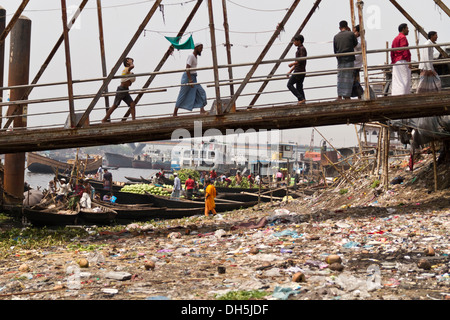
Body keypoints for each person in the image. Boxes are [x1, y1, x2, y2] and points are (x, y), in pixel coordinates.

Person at [174, 43, 208, 116]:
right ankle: (175, 113)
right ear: (196, 47)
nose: (201, 50)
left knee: (201, 92)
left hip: (193, 77)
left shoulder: (195, 57)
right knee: (182, 94)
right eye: (200, 48)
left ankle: (202, 110)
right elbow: (187, 68)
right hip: (188, 77)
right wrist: (190, 80)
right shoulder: (191, 56)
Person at [102, 57, 137, 122]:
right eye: (130, 61)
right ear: (127, 62)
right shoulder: (126, 69)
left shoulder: (129, 71)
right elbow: (132, 66)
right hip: (121, 90)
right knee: (115, 105)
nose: (132, 62)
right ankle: (104, 119)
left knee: (132, 104)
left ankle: (133, 120)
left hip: (125, 90)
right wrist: (130, 63)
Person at [333, 20, 358, 100]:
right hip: (350, 58)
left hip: (340, 59)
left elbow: (335, 50)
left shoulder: (336, 37)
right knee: (349, 77)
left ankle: (339, 95)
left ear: (339, 28)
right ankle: (347, 96)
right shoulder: (351, 34)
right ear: (347, 27)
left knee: (340, 77)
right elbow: (355, 44)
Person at [391, 23, 412, 96]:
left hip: (396, 61)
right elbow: (405, 50)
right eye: (407, 28)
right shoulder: (403, 37)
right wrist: (409, 61)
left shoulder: (395, 39)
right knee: (405, 78)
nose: (408, 30)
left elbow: (392, 51)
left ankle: (396, 94)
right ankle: (404, 95)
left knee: (397, 79)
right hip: (403, 60)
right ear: (403, 29)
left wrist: (393, 61)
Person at [287, 34, 307, 105]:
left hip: (299, 71)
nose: (294, 42)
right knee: (299, 87)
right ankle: (302, 100)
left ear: (299, 41)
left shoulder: (301, 49)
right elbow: (297, 63)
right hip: (300, 70)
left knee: (289, 84)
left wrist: (292, 64)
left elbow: (300, 60)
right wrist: (290, 70)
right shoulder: (300, 49)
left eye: (295, 41)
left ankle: (301, 98)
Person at [352, 25, 365, 99]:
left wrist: (353, 37)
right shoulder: (359, 39)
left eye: (355, 31)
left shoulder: (360, 40)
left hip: (356, 63)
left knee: (353, 79)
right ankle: (360, 95)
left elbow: (356, 45)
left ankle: (361, 93)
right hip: (355, 62)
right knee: (354, 79)